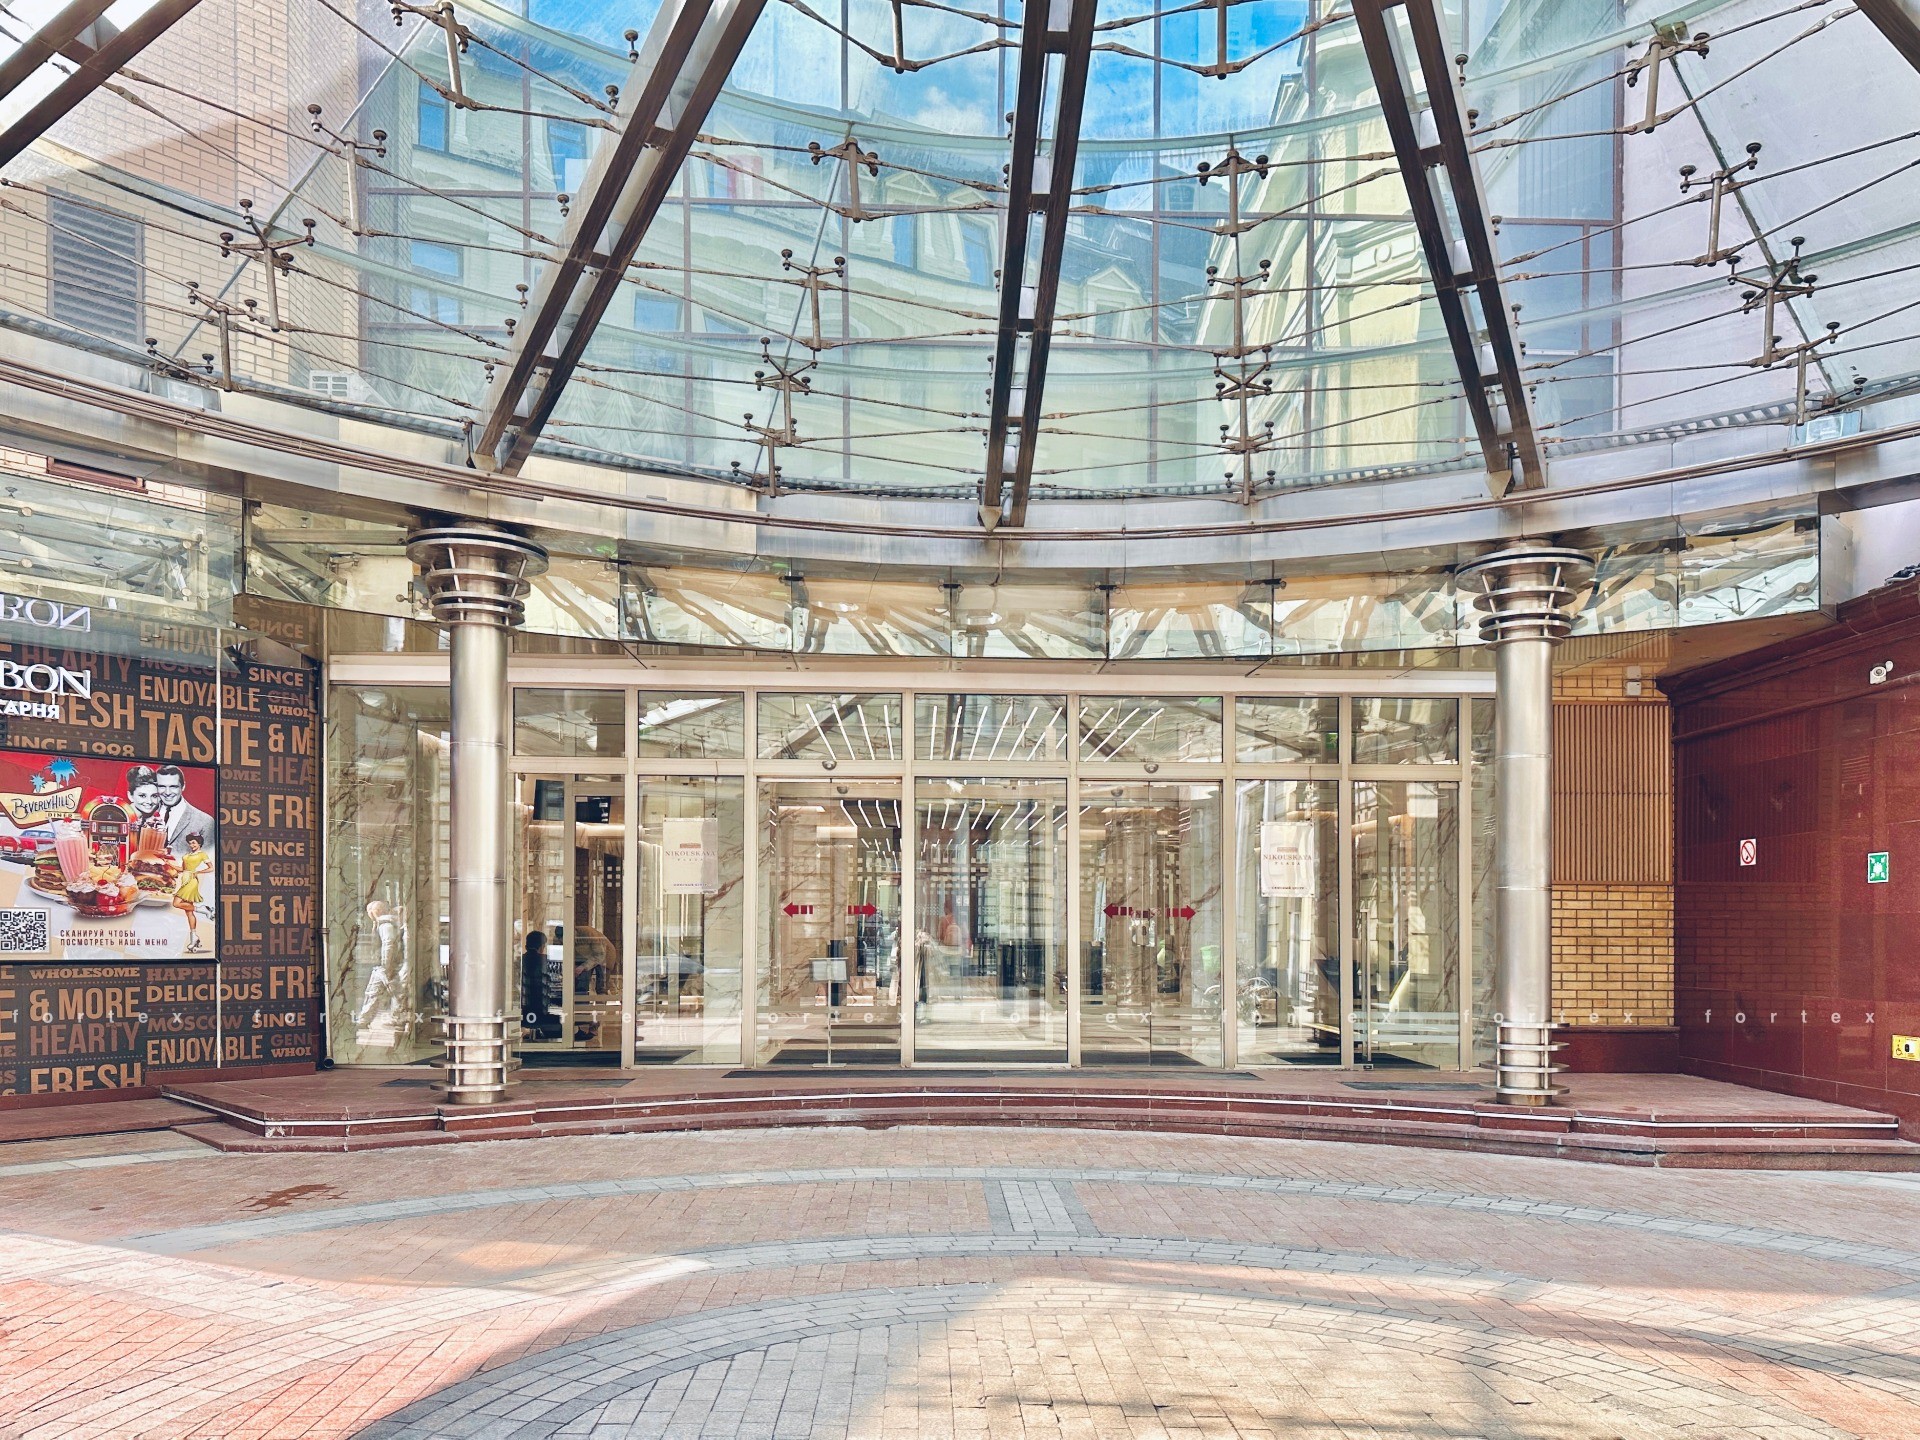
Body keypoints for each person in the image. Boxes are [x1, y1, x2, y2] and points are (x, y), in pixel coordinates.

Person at [156, 766, 214, 856]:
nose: (167, 792)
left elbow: (208, 860)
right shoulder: (145, 813)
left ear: (183, 786)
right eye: (162, 786)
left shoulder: (205, 822)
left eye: (173, 787)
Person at [172, 834, 211, 954]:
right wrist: (168, 864)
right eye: (190, 843)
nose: (191, 845)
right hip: (185, 880)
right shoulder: (187, 855)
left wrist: (198, 872)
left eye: (193, 842)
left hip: (192, 881)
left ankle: (203, 909)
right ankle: (194, 938)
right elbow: (182, 869)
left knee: (176, 903)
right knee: (189, 912)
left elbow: (211, 868)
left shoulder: (202, 854)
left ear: (199, 843)